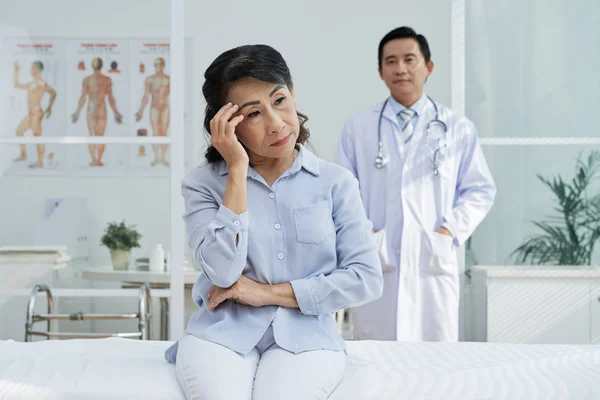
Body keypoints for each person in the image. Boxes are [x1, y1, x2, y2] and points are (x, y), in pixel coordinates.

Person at [164, 44, 383, 400]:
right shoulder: (202, 184)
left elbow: (365, 279)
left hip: (308, 336)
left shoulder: (335, 183)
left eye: (279, 100)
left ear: (293, 92)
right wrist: (236, 170)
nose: (276, 123)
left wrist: (266, 294)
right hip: (221, 333)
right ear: (227, 124)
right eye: (253, 114)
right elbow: (221, 273)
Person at [335, 26, 496, 342]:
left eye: (409, 59)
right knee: (376, 361)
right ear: (381, 72)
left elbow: (480, 190)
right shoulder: (359, 128)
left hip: (431, 261)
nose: (400, 69)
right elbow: (342, 192)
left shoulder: (457, 128)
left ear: (428, 67)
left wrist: (448, 232)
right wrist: (367, 235)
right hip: (377, 261)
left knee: (435, 361)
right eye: (391, 61)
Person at [72, 57, 123, 167]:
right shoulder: (106, 79)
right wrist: (116, 113)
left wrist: (77, 112)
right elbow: (110, 98)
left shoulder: (87, 80)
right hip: (101, 109)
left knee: (92, 135)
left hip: (91, 109)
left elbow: (83, 98)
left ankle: (94, 160)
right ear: (102, 65)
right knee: (100, 136)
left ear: (92, 66)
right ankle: (98, 160)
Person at [13, 61, 56, 168]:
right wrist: (16, 71)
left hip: (36, 113)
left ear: (37, 69)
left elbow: (53, 92)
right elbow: (16, 85)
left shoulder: (41, 82)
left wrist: (49, 107)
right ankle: (23, 155)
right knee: (19, 131)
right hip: (31, 113)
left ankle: (40, 162)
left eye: (32, 68)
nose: (31, 70)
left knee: (38, 136)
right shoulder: (32, 83)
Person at [135, 57, 170, 166]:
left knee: (163, 132)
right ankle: (157, 157)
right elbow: (145, 96)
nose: (158, 67)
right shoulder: (149, 79)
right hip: (154, 107)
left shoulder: (168, 79)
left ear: (163, 65)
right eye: (156, 65)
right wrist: (140, 111)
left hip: (165, 107)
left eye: (160, 64)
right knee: (155, 132)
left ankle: (163, 158)